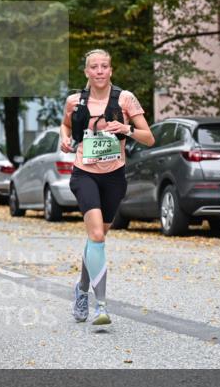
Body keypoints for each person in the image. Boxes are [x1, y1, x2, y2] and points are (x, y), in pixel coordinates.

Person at [59, 49, 154, 329]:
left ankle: (81, 288)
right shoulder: (75, 101)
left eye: (104, 67)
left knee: (96, 240)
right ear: (87, 72)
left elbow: (149, 137)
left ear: (111, 70)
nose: (99, 71)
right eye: (94, 67)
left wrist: (125, 129)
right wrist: (65, 141)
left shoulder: (125, 99)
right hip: (84, 174)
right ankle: (100, 305)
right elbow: (65, 128)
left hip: (114, 176)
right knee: (97, 234)